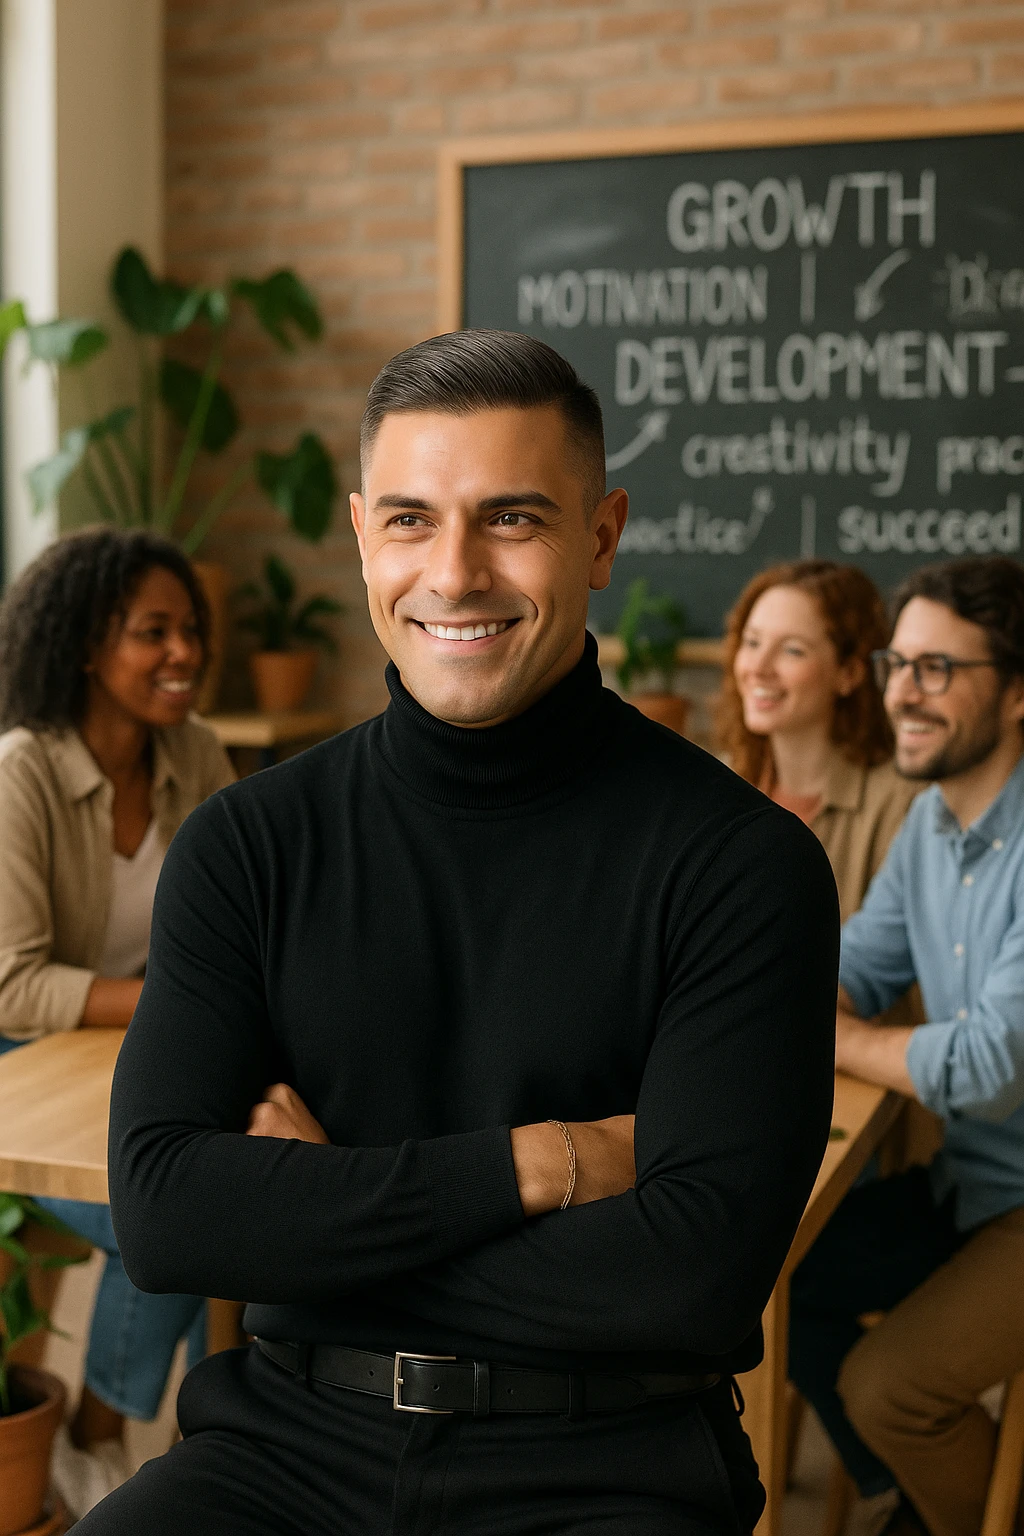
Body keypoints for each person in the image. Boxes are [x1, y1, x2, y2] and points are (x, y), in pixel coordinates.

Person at [79, 330, 838, 1536]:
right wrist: (535, 1166)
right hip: (284, 1452)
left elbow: (690, 1283)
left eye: (513, 519)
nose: (456, 571)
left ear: (600, 536)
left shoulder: (742, 865)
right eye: (411, 520)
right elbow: (169, 1212)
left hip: (605, 1467)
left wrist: (318, 1212)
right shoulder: (248, 843)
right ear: (361, 532)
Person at [0, 527, 235, 1516]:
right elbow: (12, 985)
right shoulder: (24, 770)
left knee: (242, 1189)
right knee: (173, 1215)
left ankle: (210, 1445)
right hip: (31, 1065)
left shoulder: (198, 752)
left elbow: (242, 929)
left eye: (190, 630)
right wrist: (179, 1003)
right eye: (153, 632)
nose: (183, 653)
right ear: (91, 646)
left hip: (147, 1054)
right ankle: (96, 1436)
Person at [788, 556, 1024, 1536]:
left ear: (1016, 694)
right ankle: (910, 1500)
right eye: (897, 662)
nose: (900, 693)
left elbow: (987, 1065)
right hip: (967, 1184)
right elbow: (849, 968)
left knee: (887, 1387)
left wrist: (837, 1033)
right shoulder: (931, 822)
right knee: (769, 1276)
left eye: (936, 669)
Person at [718, 560, 919, 922]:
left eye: (792, 650)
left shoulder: (902, 804)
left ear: (849, 673)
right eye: (752, 642)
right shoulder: (715, 783)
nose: (758, 667)